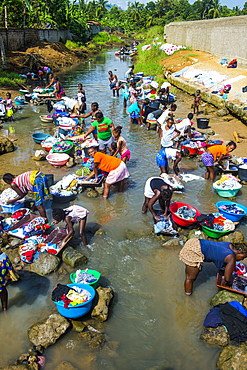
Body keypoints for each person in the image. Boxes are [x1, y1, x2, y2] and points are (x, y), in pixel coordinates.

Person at [179, 238, 247, 295]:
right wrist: (231, 281)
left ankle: (191, 270)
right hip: (193, 251)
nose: (242, 259)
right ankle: (188, 296)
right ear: (239, 253)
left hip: (195, 242)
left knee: (192, 271)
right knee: (190, 278)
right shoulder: (231, 257)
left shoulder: (229, 244)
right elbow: (227, 279)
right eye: (243, 257)